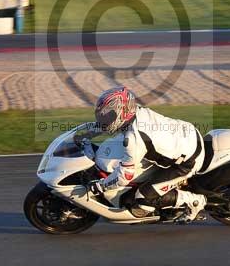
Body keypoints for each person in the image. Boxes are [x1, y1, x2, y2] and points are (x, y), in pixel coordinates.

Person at [81, 86, 207, 222]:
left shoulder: (134, 139)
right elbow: (107, 124)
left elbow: (124, 177)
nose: (104, 118)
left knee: (142, 198)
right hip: (187, 133)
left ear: (122, 113)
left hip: (188, 161)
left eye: (108, 115)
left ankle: (195, 201)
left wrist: (100, 186)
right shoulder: (135, 110)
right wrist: (88, 134)